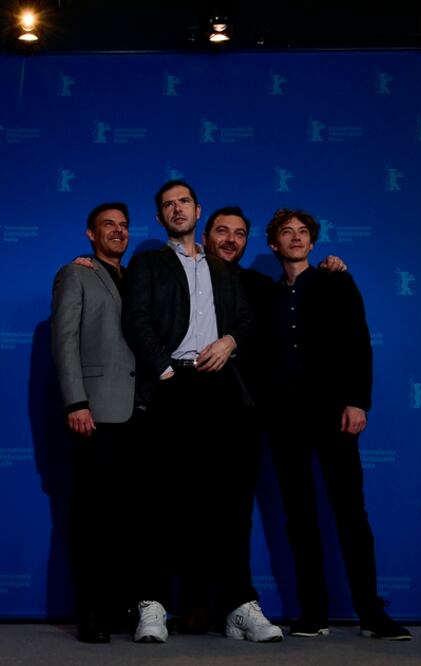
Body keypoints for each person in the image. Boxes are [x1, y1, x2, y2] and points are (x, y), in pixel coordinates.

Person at [122, 180, 282, 644]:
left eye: (184, 201)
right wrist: (165, 372)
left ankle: (238, 607)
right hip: (173, 387)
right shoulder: (150, 262)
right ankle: (152, 605)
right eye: (168, 205)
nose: (177, 209)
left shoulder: (224, 269)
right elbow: (137, 319)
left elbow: (249, 321)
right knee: (162, 503)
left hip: (223, 395)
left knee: (228, 507)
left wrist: (231, 342)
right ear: (160, 218)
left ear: (198, 210)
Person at [263, 208, 411, 641]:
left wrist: (357, 402)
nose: (295, 237)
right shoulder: (266, 295)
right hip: (285, 420)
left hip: (333, 414)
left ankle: (371, 613)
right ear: (274, 245)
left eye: (303, 232)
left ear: (312, 243)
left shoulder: (336, 281)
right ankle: (314, 613)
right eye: (286, 232)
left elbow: (358, 343)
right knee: (299, 516)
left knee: (350, 512)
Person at [51, 202, 137, 643]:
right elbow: (64, 340)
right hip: (95, 413)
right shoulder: (76, 273)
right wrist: (75, 403)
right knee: (92, 518)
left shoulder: (137, 275)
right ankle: (90, 614)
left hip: (137, 415)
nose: (118, 232)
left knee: (125, 518)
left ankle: (118, 607)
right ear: (90, 233)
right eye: (109, 225)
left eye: (124, 226)